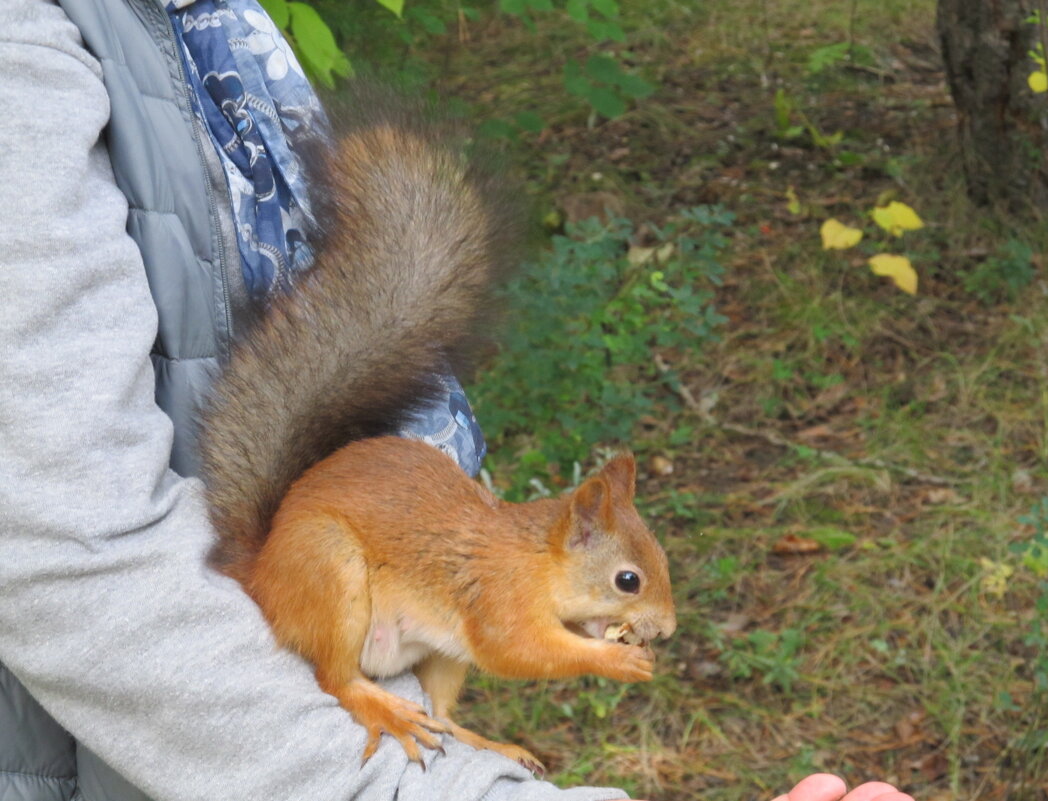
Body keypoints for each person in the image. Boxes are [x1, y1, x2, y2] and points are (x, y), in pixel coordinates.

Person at [0, 2, 916, 801]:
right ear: (578, 536)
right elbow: (67, 551)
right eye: (629, 586)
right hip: (199, 732)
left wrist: (451, 766)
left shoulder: (196, 28)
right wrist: (595, 655)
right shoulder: (30, 49)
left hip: (285, 744)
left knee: (443, 655)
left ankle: (427, 712)